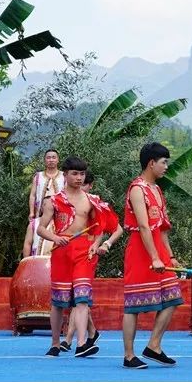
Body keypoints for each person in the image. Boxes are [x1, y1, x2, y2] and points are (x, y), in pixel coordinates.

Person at [36, 157, 121, 359]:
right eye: (74, 173)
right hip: (61, 250)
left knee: (82, 298)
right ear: (64, 175)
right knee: (59, 301)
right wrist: (55, 237)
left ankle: (82, 343)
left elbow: (102, 227)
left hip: (84, 252)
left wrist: (97, 244)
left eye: (82, 174)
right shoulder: (54, 200)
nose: (79, 178)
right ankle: (55, 343)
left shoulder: (92, 200)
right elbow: (40, 228)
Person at [122, 142, 184, 369]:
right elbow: (143, 226)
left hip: (158, 250)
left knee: (173, 298)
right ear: (151, 163)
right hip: (141, 251)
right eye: (164, 162)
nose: (166, 166)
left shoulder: (157, 189)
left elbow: (162, 227)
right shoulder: (137, 189)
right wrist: (154, 257)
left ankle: (153, 345)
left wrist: (170, 255)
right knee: (133, 306)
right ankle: (129, 356)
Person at [60, 170, 120, 352]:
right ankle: (90, 333)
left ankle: (71, 340)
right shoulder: (65, 202)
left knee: (80, 299)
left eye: (83, 183)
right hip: (67, 254)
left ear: (89, 185)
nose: (79, 186)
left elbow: (116, 229)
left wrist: (104, 244)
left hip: (86, 253)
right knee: (77, 299)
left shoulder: (96, 203)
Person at [22, 149, 64, 258]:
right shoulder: (38, 176)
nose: (51, 160)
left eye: (53, 157)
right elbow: (32, 195)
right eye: (48, 158)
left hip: (60, 216)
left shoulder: (64, 176)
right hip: (41, 215)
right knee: (35, 238)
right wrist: (31, 212)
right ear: (45, 160)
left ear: (58, 160)